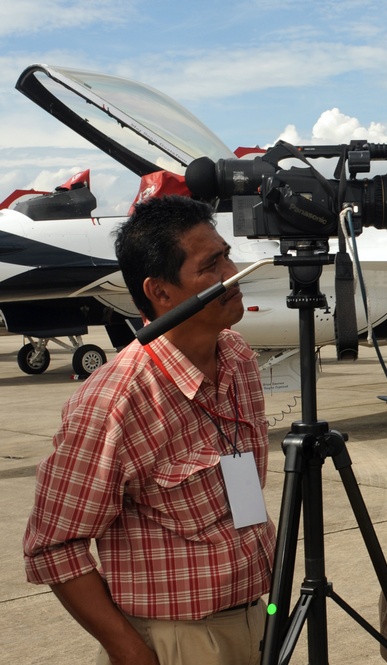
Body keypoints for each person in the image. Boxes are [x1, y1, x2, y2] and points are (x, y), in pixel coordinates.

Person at [23, 195, 276, 665]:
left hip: (258, 620)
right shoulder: (115, 402)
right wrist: (131, 652)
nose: (232, 273)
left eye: (227, 255)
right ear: (160, 292)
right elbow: (52, 546)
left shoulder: (237, 357)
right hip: (177, 643)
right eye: (211, 265)